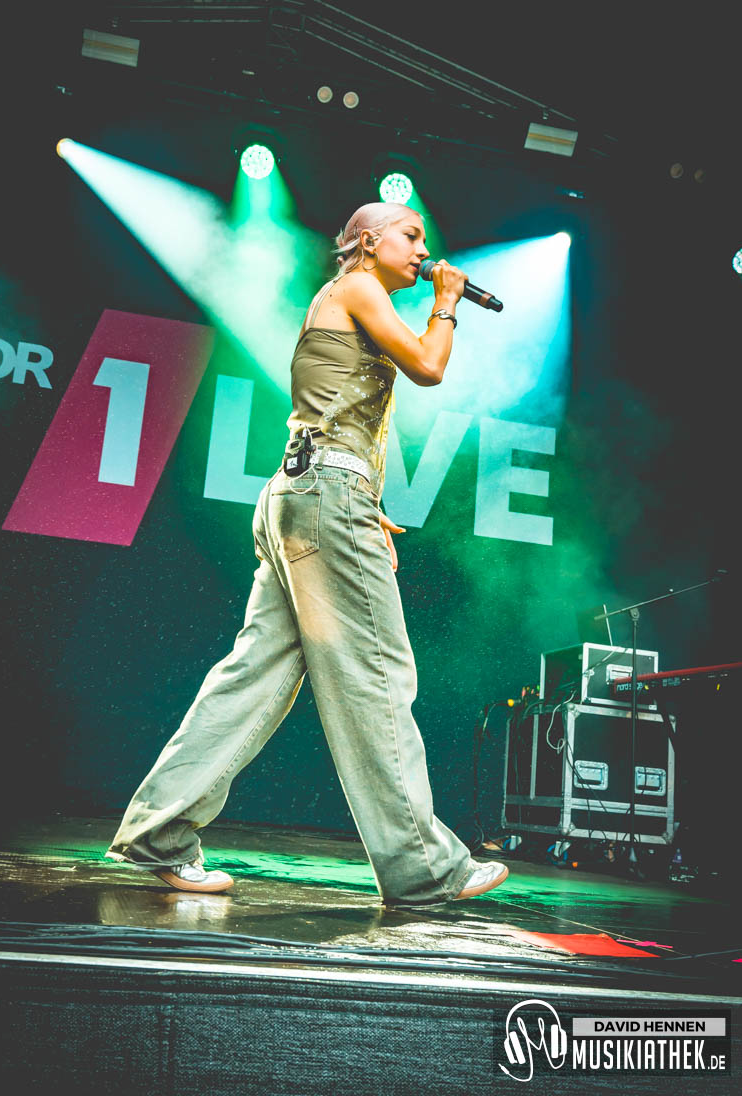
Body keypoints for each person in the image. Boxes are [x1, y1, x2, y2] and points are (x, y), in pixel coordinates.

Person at [105, 201, 510, 907]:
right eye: (410, 235)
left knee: (255, 674)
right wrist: (446, 304)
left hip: (303, 492)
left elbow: (333, 416)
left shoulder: (344, 297)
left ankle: (159, 832)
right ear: (367, 242)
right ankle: (423, 868)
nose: (424, 249)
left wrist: (364, 506)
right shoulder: (359, 287)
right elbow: (428, 365)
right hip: (323, 496)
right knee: (376, 675)